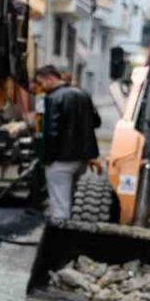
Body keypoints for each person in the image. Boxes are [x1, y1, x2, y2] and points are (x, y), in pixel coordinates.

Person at [36, 64, 102, 220]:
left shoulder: (53, 98)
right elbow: (96, 122)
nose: (41, 87)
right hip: (81, 160)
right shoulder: (84, 94)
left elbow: (52, 132)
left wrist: (46, 159)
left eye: (41, 82)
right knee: (72, 200)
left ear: (50, 78)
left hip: (60, 161)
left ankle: (60, 233)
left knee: (60, 206)